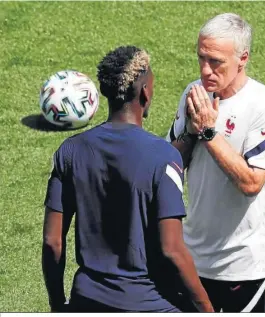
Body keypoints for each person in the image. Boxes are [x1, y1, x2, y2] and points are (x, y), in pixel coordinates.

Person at [42, 45, 213, 313]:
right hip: (148, 304)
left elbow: (53, 242)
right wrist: (206, 309)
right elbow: (172, 250)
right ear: (145, 90)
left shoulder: (70, 151)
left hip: (86, 300)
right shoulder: (162, 157)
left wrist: (56, 303)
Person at [166, 13, 265, 312]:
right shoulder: (193, 95)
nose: (206, 70)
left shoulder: (263, 105)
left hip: (244, 264)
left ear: (242, 58)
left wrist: (208, 131)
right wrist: (191, 134)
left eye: (216, 61)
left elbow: (250, 182)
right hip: (193, 258)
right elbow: (169, 168)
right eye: (201, 58)